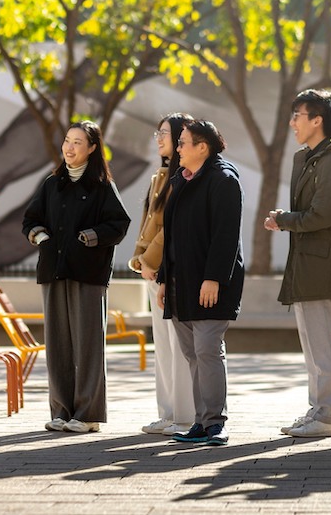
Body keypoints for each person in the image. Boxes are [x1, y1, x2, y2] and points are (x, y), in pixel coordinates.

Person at [22, 121, 131, 434]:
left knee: (87, 345)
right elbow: (30, 220)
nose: (69, 148)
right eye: (67, 141)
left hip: (88, 274)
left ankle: (88, 415)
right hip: (52, 272)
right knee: (57, 345)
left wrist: (90, 238)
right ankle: (61, 410)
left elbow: (119, 224)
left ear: (92, 148)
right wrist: (40, 236)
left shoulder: (101, 186)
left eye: (78, 142)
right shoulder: (51, 184)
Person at [265, 89, 331, 438]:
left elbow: (323, 214)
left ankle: (327, 416)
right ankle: (318, 411)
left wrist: (285, 219)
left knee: (324, 344)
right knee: (314, 344)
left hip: (323, 264)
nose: (292, 123)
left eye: (298, 116)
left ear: (317, 121)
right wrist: (287, 220)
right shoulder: (314, 158)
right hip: (308, 262)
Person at [158, 120, 244, 447]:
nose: (177, 149)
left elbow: (226, 236)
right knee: (193, 355)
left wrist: (214, 279)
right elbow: (173, 238)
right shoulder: (181, 180)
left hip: (209, 285)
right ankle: (200, 422)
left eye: (183, 143)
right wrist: (166, 279)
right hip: (182, 284)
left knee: (208, 351)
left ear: (202, 147)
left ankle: (215, 424)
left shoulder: (223, 180)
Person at [130, 113, 196, 438]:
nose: (159, 138)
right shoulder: (161, 175)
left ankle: (183, 416)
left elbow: (169, 229)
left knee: (176, 346)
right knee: (163, 347)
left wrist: (147, 260)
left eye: (166, 133)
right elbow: (148, 225)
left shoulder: (181, 177)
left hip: (166, 270)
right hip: (152, 270)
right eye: (158, 133)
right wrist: (141, 260)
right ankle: (168, 413)